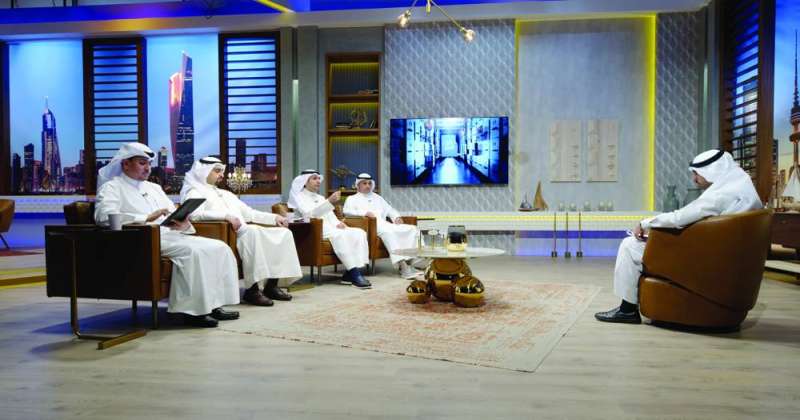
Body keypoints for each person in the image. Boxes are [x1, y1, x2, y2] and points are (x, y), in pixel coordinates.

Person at [595, 149, 763, 324]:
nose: (694, 179)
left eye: (697, 174)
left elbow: (679, 218)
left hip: (705, 261)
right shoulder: (741, 185)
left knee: (630, 244)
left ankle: (627, 310)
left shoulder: (721, 194)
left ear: (712, 170)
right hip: (724, 258)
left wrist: (645, 223)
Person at [94, 143, 240, 328]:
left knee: (220, 247)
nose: (147, 168)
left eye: (148, 164)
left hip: (168, 234)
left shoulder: (154, 187)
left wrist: (183, 222)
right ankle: (192, 312)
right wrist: (145, 218)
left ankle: (213, 305)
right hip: (143, 238)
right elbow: (104, 217)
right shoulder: (112, 187)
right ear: (126, 164)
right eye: (142, 163)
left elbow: (171, 212)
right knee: (193, 252)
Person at [180, 157, 302, 306]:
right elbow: (194, 215)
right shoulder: (194, 191)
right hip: (224, 234)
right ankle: (252, 290)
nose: (221, 175)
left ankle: (272, 285)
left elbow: (249, 213)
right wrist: (225, 216)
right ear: (202, 171)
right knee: (253, 232)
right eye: (217, 171)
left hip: (242, 231)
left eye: (222, 171)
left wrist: (274, 217)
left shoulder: (225, 193)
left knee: (283, 233)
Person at [288, 170, 371, 288]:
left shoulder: (320, 197)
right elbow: (310, 215)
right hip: (315, 229)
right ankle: (354, 274)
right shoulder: (299, 197)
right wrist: (329, 201)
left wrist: (338, 223)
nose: (318, 181)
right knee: (340, 236)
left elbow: (330, 215)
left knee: (359, 232)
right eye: (314, 178)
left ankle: (349, 274)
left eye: (319, 178)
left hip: (331, 227)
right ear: (305, 181)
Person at [343, 173, 423, 278]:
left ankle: (410, 264)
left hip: (384, 224)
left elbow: (389, 209)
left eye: (369, 183)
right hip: (369, 226)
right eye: (364, 183)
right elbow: (346, 211)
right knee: (389, 233)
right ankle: (403, 267)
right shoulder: (352, 198)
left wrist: (396, 217)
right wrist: (364, 213)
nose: (367, 186)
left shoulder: (377, 197)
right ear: (358, 185)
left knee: (413, 229)